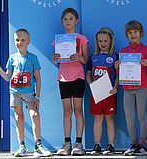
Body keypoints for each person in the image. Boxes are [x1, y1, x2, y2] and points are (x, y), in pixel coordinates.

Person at [0, 29, 52, 157]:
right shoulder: (12, 58)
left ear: (28, 42)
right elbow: (7, 77)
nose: (20, 42)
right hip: (15, 93)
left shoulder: (33, 58)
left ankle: (38, 145)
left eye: (23, 40)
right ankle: (22, 146)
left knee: (35, 115)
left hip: (29, 94)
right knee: (18, 118)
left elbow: (38, 78)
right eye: (17, 40)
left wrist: (37, 96)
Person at [115, 20, 147, 156]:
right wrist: (118, 66)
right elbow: (120, 74)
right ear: (127, 35)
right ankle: (133, 144)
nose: (133, 35)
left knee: (141, 116)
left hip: (142, 87)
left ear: (141, 33)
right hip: (127, 88)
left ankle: (143, 146)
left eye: (135, 32)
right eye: (130, 33)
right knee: (129, 117)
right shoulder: (123, 51)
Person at [52, 8, 89, 155]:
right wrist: (55, 59)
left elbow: (86, 60)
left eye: (71, 18)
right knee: (67, 111)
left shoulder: (82, 39)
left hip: (78, 77)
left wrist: (79, 58)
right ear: (62, 22)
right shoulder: (59, 40)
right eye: (65, 19)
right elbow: (57, 61)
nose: (68, 21)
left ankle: (78, 143)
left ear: (77, 21)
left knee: (78, 110)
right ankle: (67, 142)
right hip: (63, 77)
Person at [86, 27, 118, 155]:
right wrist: (91, 85)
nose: (103, 43)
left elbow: (118, 74)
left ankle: (111, 145)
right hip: (97, 92)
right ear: (97, 42)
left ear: (111, 41)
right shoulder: (93, 57)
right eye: (100, 41)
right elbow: (88, 74)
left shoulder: (115, 56)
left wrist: (115, 87)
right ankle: (97, 145)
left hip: (110, 93)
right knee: (97, 117)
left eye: (106, 41)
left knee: (109, 117)